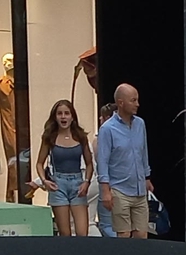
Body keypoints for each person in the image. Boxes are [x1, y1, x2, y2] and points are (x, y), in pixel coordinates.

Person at [97, 84, 152, 239]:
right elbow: (103, 161)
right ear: (121, 103)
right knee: (124, 235)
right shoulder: (107, 129)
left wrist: (147, 177)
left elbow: (143, 152)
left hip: (139, 188)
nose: (137, 104)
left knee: (141, 235)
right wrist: (105, 191)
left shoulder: (140, 124)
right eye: (133, 100)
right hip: (119, 188)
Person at [39, 98, 91, 237]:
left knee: (82, 232)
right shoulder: (49, 137)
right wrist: (44, 181)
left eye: (67, 113)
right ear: (55, 117)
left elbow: (89, 163)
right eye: (60, 113)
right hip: (58, 183)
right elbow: (39, 163)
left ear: (72, 117)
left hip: (77, 183)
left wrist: (86, 182)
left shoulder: (80, 137)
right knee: (65, 233)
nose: (63, 117)